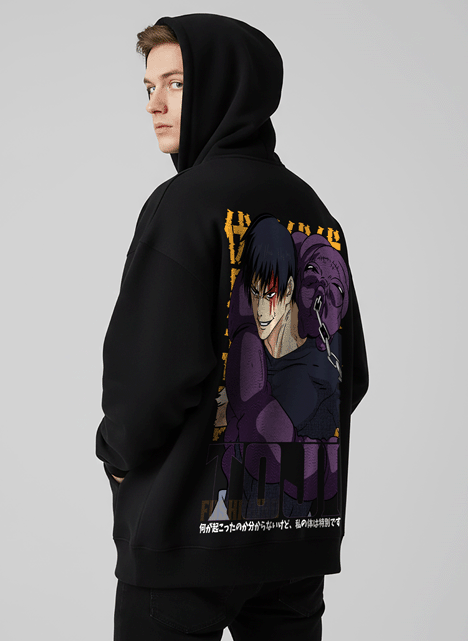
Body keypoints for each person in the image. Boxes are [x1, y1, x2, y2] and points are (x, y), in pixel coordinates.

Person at [96, 13, 369, 641]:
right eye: (148, 87)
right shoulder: (317, 214)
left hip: (186, 546)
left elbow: (147, 380)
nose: (155, 104)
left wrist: (117, 455)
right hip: (295, 539)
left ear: (226, 86)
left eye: (176, 83)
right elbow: (348, 377)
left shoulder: (183, 204)